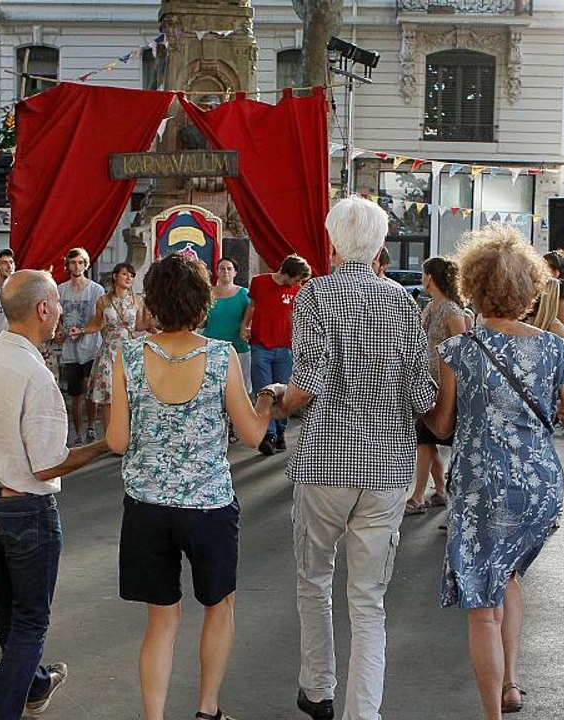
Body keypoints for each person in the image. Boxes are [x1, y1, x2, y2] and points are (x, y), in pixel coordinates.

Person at [424, 225, 564, 719]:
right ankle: (513, 683)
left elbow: (442, 423)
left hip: (481, 486)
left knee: (483, 603)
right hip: (540, 487)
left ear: (473, 286)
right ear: (530, 288)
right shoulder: (553, 348)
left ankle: (492, 714)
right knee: (509, 575)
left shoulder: (461, 351)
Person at [280, 197, 437, 720]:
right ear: (379, 245)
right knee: (368, 600)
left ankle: (317, 687)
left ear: (331, 242)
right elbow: (423, 394)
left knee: (314, 579)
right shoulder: (400, 301)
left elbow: (309, 383)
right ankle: (362, 712)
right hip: (387, 464)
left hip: (324, 460)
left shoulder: (314, 296)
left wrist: (278, 401)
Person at [108, 253, 281, 720]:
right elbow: (252, 435)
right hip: (207, 503)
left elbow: (117, 440)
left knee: (160, 620)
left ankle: (153, 716)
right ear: (203, 301)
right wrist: (266, 400)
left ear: (154, 300)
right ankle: (207, 709)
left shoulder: (128, 355)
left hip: (146, 505)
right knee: (218, 605)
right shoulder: (220, 356)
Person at [0, 269, 108, 719]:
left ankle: (36, 685)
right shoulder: (36, 376)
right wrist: (103, 445)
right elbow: (47, 463)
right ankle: (3, 710)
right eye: (56, 304)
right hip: (22, 506)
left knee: (9, 604)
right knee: (31, 621)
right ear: (43, 310)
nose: (60, 310)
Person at [406, 256, 467, 516]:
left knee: (426, 438)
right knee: (425, 438)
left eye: (423, 273)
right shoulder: (431, 307)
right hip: (428, 383)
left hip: (446, 387)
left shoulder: (452, 310)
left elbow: (464, 346)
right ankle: (440, 488)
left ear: (430, 277)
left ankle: (419, 495)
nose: (422, 278)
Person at [243, 254, 312, 456]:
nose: (299, 283)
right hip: (260, 345)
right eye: (298, 278)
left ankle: (280, 431)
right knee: (264, 392)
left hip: (285, 348)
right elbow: (252, 306)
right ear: (288, 273)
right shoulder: (259, 282)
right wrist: (244, 325)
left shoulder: (297, 291)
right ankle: (268, 434)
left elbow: (295, 317)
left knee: (283, 392)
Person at [77, 261, 145, 433]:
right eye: (125, 274)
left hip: (129, 352)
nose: (129, 277)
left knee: (130, 396)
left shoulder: (137, 300)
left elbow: (140, 325)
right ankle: (108, 439)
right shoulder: (103, 300)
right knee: (108, 397)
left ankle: (128, 437)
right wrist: (82, 330)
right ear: (115, 277)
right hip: (108, 351)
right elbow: (97, 324)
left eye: (131, 275)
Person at [201, 256, 253, 441]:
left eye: (229, 268)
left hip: (237, 347)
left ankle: (233, 425)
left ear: (235, 272)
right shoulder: (209, 293)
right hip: (212, 346)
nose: (225, 272)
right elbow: (202, 319)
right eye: (222, 268)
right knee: (214, 389)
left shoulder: (243, 294)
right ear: (217, 271)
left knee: (238, 389)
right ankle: (215, 426)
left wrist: (246, 330)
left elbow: (250, 317)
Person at [57, 247, 106, 444]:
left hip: (92, 346)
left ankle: (92, 427)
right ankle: (77, 433)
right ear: (67, 265)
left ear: (86, 265)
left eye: (80, 262)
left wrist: (83, 330)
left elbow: (99, 318)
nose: (76, 266)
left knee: (90, 390)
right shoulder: (61, 289)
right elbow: (57, 315)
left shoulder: (96, 290)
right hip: (70, 349)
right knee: (75, 393)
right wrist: (59, 330)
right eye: (73, 263)